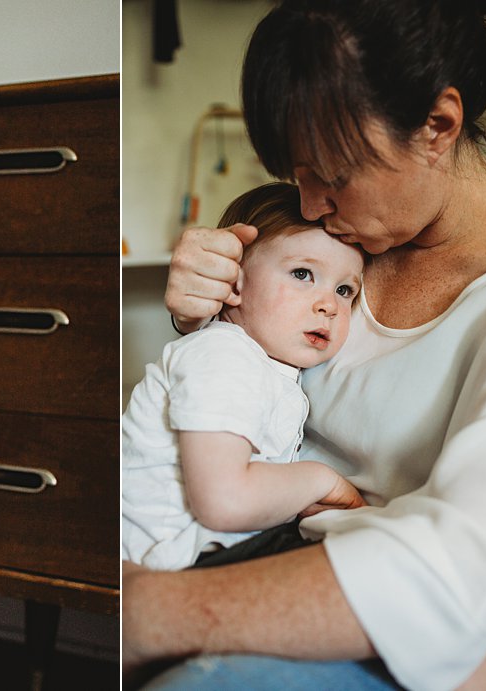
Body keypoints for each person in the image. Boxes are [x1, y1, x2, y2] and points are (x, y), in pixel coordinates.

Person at [123, 1, 486, 689]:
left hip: (438, 628)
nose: (309, 205)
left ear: (438, 127)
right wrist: (214, 317)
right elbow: (256, 408)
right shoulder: (341, 248)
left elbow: (453, 571)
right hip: (283, 564)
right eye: (295, 175)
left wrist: (149, 611)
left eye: (332, 175)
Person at [120, 182, 367, 572]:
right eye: (302, 273)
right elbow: (225, 501)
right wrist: (324, 482)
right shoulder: (224, 357)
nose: (329, 306)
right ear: (233, 284)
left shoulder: (265, 363)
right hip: (171, 560)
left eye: (344, 289)